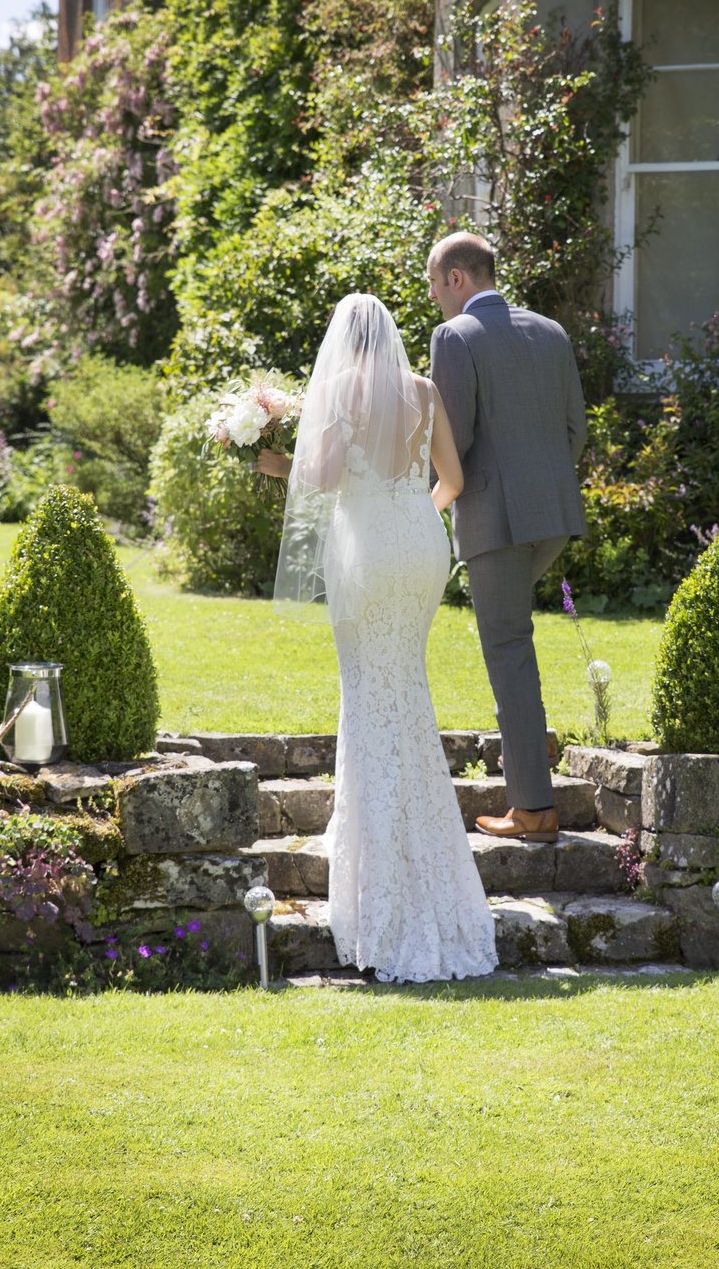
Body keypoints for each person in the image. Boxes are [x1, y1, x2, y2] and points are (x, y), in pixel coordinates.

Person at [261, 293, 497, 983]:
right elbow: (452, 479)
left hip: (363, 548)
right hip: (420, 544)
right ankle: (416, 847)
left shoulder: (338, 390)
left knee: (368, 688)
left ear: (344, 341)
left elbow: (325, 478)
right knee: (405, 683)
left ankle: (376, 862)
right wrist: (411, 515)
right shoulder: (423, 391)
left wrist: (268, 461)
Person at [427, 231, 587, 843]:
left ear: (458, 279)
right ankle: (532, 799)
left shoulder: (454, 337)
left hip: (495, 520)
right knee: (514, 641)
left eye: (435, 285)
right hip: (552, 518)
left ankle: (533, 809)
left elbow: (454, 441)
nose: (435, 298)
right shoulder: (550, 330)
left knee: (509, 650)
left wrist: (424, 499)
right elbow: (575, 429)